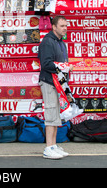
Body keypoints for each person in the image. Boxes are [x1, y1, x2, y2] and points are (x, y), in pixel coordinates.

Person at [38, 15, 70, 159]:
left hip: (59, 84)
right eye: (62, 26)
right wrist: (64, 67)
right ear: (54, 27)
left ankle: (54, 145)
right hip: (49, 83)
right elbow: (46, 64)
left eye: (66, 26)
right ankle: (48, 148)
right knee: (51, 115)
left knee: (56, 115)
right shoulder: (47, 42)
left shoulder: (61, 43)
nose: (65, 28)